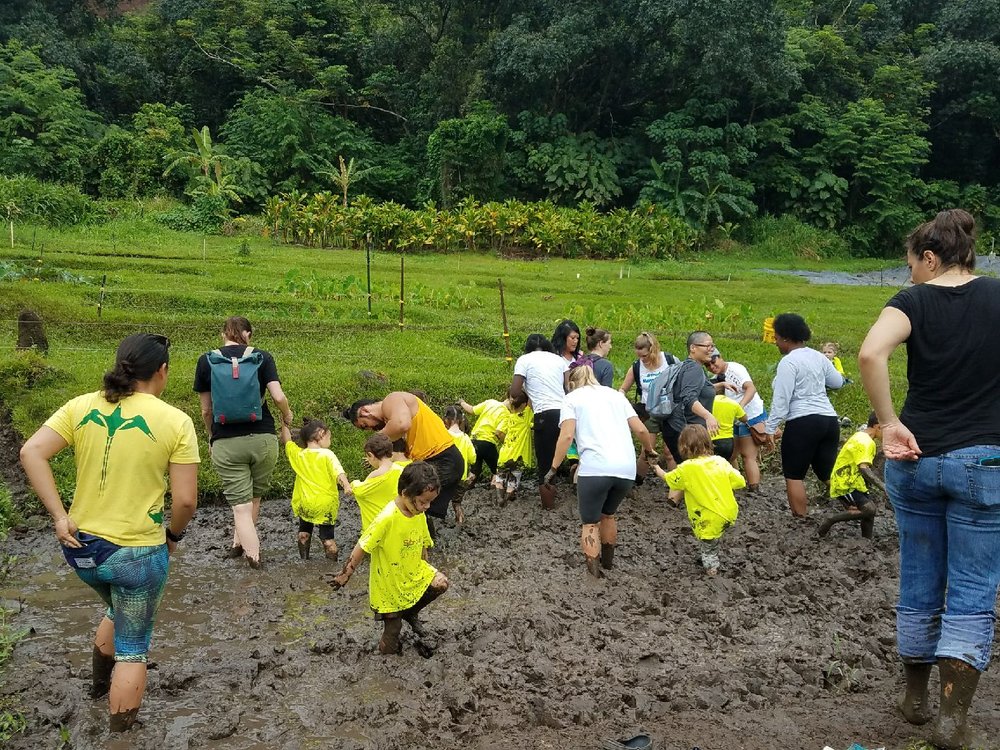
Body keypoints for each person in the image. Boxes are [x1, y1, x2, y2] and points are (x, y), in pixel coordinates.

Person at [858, 208, 1000, 749]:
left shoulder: (912, 302)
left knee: (919, 576)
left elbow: (872, 352)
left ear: (931, 257)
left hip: (915, 461)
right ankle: (952, 719)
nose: (910, 274)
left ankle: (914, 700)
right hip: (984, 463)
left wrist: (890, 424)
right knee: (971, 589)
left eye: (911, 263)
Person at [19, 334, 199, 732]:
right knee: (133, 649)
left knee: (116, 608)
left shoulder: (81, 405)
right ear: (163, 370)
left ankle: (99, 689)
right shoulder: (175, 420)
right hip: (136, 554)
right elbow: (186, 502)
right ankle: (119, 740)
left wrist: (59, 515)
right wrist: (173, 538)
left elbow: (31, 451)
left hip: (82, 550)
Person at [194, 316, 292, 568]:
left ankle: (254, 561)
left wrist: (211, 435)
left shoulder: (206, 361)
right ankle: (238, 546)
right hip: (264, 439)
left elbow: (206, 411)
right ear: (249, 334)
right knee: (254, 499)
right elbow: (278, 396)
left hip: (226, 442)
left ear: (222, 334)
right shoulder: (262, 357)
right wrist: (287, 414)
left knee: (240, 507)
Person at [546, 366, 657, 577]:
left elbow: (567, 436)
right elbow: (642, 429)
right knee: (609, 515)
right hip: (625, 469)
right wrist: (650, 451)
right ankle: (608, 565)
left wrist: (553, 468)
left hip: (595, 468)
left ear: (572, 384)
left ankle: (594, 575)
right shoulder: (616, 396)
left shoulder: (572, 399)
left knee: (590, 522)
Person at [330, 462, 449, 655]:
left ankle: (410, 612)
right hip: (389, 582)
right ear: (405, 493)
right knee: (393, 630)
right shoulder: (387, 517)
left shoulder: (418, 513)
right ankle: (386, 661)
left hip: (411, 572)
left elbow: (423, 541)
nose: (426, 507)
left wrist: (424, 563)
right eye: (422, 501)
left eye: (430, 502)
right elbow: (363, 545)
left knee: (440, 583)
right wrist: (346, 573)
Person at [344, 391, 465, 530]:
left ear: (365, 411)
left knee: (407, 501)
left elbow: (402, 424)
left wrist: (373, 441)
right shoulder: (394, 417)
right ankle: (422, 544)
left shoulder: (391, 399)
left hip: (442, 459)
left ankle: (417, 544)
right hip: (441, 460)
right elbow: (399, 449)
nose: (371, 429)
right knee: (414, 506)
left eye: (365, 425)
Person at [763, 313, 844, 517]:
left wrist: (770, 430)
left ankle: (801, 519)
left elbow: (781, 401)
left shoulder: (788, 362)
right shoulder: (819, 356)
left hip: (803, 422)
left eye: (777, 339)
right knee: (826, 471)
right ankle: (857, 503)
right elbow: (837, 382)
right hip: (829, 420)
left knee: (794, 474)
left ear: (786, 338)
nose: (776, 343)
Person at [653, 425, 743, 576]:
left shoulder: (687, 467)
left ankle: (711, 570)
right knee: (713, 537)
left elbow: (671, 480)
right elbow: (740, 481)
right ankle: (708, 553)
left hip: (708, 515)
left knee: (708, 542)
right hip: (728, 511)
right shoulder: (719, 461)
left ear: (683, 447)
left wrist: (658, 469)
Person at [279, 418, 352, 560]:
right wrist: (347, 485)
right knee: (327, 539)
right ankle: (332, 567)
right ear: (321, 434)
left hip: (304, 503)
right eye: (329, 437)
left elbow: (287, 440)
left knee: (303, 534)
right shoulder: (327, 455)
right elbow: (338, 472)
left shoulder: (299, 454)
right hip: (325, 505)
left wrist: (284, 424)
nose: (329, 441)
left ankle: (304, 561)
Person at [509, 334, 568, 508]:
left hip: (545, 415)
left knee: (545, 465)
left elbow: (514, 392)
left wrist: (528, 392)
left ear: (527, 348)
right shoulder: (559, 360)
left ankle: (549, 508)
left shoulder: (524, 360)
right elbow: (566, 388)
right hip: (566, 413)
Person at [707, 349, 768, 491]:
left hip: (750, 416)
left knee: (748, 455)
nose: (712, 367)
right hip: (733, 418)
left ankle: (754, 489)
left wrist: (739, 406)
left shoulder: (734, 369)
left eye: (713, 362)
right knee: (731, 454)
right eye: (708, 365)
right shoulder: (718, 376)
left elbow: (751, 388)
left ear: (720, 357)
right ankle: (737, 483)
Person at [818, 412, 885, 539]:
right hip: (846, 482)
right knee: (869, 509)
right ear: (878, 427)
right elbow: (864, 469)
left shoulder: (861, 436)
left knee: (868, 514)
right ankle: (830, 520)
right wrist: (883, 487)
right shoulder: (866, 443)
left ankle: (867, 541)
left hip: (853, 480)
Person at [618, 332, 676, 480]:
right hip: (649, 411)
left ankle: (676, 486)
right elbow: (623, 389)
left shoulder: (669, 360)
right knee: (647, 451)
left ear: (653, 349)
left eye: (644, 356)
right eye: (639, 356)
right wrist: (620, 399)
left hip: (671, 411)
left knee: (670, 452)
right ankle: (635, 484)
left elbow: (682, 379)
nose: (642, 359)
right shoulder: (636, 367)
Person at [660, 331, 719, 466]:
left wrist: (719, 386)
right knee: (696, 477)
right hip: (688, 432)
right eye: (708, 346)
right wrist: (708, 416)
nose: (711, 349)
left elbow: (692, 391)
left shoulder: (686, 366)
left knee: (688, 476)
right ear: (693, 348)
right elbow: (689, 397)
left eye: (712, 346)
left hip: (676, 428)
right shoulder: (694, 369)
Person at [351, 434, 411, 533]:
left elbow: (361, 492)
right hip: (399, 521)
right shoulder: (400, 470)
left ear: (371, 455)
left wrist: (354, 483)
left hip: (378, 524)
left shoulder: (376, 474)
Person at [458, 395, 511, 484]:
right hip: (487, 444)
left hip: (473, 441)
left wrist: (462, 403)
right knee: (497, 470)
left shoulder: (490, 402)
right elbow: (499, 433)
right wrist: (506, 443)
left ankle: (465, 488)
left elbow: (472, 410)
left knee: (475, 470)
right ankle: (494, 488)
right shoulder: (507, 415)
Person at [492, 397, 533, 504]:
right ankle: (508, 497)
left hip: (505, 454)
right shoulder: (525, 417)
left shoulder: (507, 418)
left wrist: (505, 440)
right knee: (513, 480)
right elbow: (530, 403)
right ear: (523, 405)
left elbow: (498, 432)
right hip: (518, 457)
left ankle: (500, 498)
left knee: (500, 478)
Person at [443, 404, 477, 482]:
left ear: (446, 420)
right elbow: (473, 459)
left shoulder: (443, 436)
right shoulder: (465, 438)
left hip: (445, 475)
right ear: (461, 419)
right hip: (460, 476)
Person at [710, 394, 747, 462]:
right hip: (727, 441)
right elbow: (744, 419)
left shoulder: (708, 401)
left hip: (710, 439)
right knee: (723, 466)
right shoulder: (733, 403)